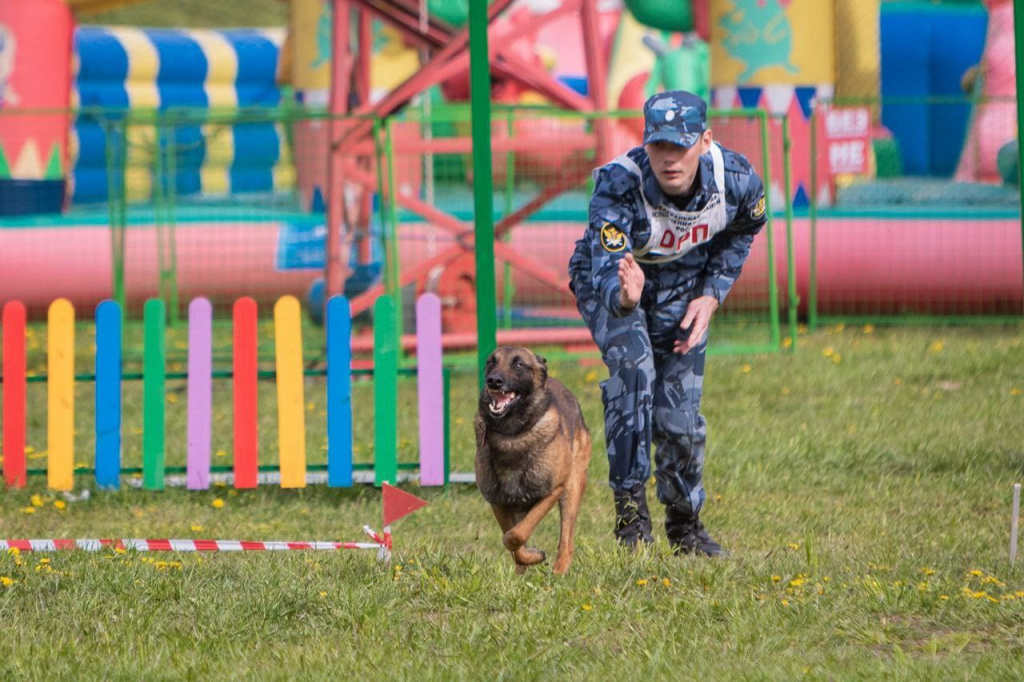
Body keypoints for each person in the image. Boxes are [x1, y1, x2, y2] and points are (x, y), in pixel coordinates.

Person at [567, 90, 767, 556]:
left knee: (679, 418)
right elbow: (605, 262)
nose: (669, 158)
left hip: (686, 286)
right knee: (634, 371)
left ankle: (685, 526)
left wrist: (713, 293)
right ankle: (632, 521)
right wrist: (624, 297)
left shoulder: (736, 180)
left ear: (704, 140)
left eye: (681, 145)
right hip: (617, 285)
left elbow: (746, 229)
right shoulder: (619, 183)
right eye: (659, 145)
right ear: (646, 143)